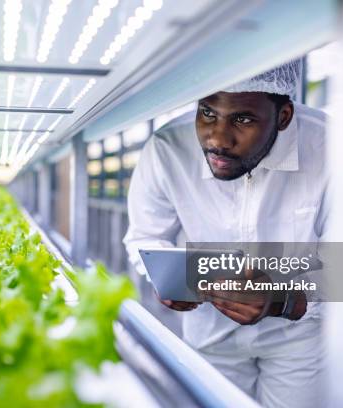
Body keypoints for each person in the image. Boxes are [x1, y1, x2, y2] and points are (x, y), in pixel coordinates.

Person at [123, 60, 327, 408]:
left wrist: (283, 299)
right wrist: (171, 277)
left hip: (301, 339)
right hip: (209, 333)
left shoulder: (334, 148)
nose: (217, 138)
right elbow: (143, 235)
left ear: (283, 116)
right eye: (207, 112)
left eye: (243, 119)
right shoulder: (168, 149)